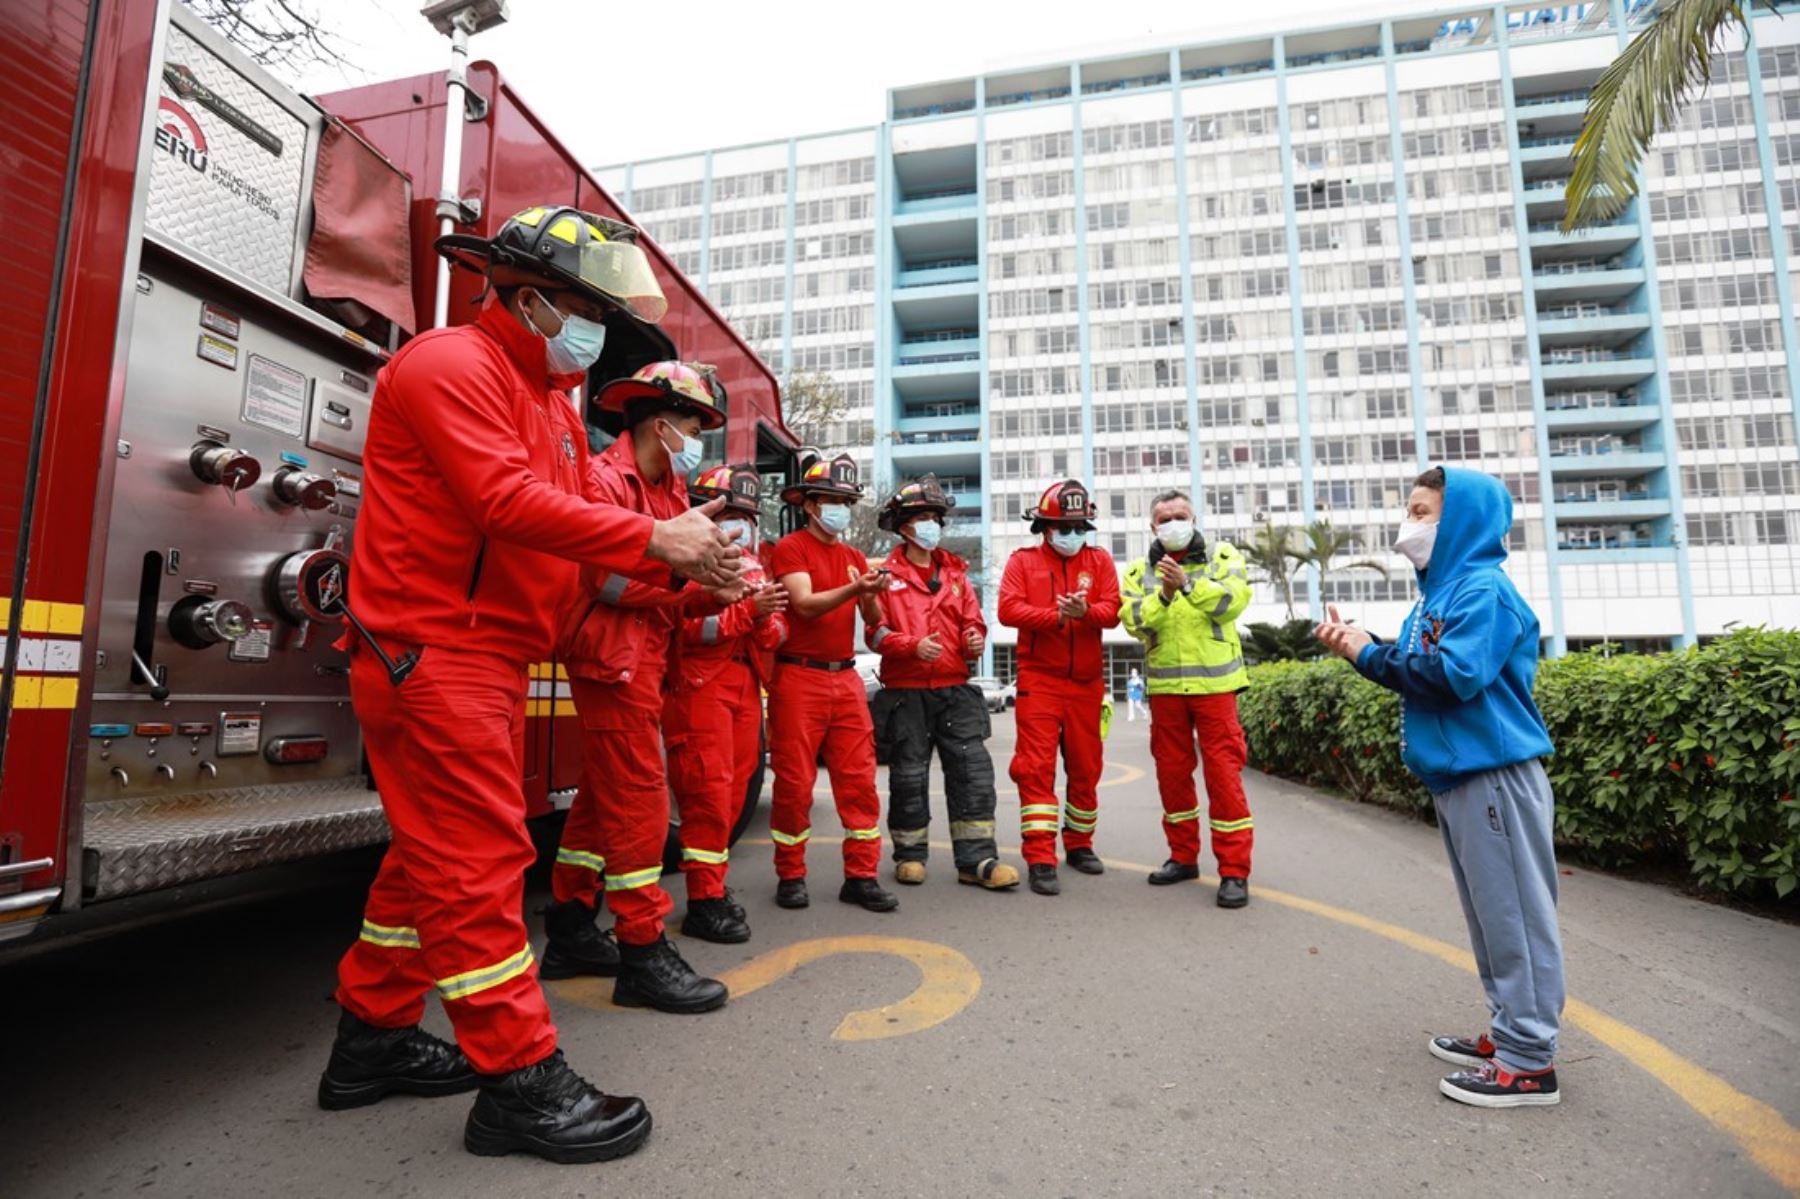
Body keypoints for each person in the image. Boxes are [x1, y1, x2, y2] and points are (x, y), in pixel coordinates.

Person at [320, 206, 741, 1164]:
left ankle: (372, 1036)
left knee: (428, 856)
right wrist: (657, 539)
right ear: (533, 297)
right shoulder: (448, 364)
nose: (598, 340)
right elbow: (502, 501)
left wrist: (684, 563)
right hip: (433, 650)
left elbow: (581, 531)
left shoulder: (551, 397)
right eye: (590, 311)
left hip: (489, 655)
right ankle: (519, 1081)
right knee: (477, 861)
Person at [1315, 465, 1564, 1109]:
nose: (1410, 524)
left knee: (1515, 917)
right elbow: (1422, 662)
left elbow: (1452, 677)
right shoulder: (1442, 594)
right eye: (1411, 510)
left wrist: (1366, 656)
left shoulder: (1481, 590)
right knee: (1491, 918)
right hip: (1461, 777)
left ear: (1460, 521)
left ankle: (1529, 1063)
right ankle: (1509, 1033)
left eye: (1423, 512)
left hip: (1493, 776)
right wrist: (1365, 642)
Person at [545, 361, 733, 1015]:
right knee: (640, 803)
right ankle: (643, 949)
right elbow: (605, 580)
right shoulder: (604, 479)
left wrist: (713, 585)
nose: (698, 438)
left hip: (639, 658)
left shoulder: (666, 493)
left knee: (602, 798)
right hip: (610, 658)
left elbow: (664, 591)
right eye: (693, 424)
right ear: (661, 423)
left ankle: (569, 926)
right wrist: (690, 581)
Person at [867, 475, 1018, 891]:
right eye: (921, 517)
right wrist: (911, 646)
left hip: (955, 689)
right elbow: (874, 634)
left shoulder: (955, 573)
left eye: (935, 516)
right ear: (903, 525)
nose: (931, 523)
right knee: (908, 777)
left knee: (971, 774)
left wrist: (975, 640)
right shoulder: (885, 576)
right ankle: (910, 856)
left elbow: (974, 622)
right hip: (906, 692)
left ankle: (977, 860)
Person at [766, 452, 900, 913]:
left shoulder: (853, 556)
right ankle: (791, 874)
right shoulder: (791, 548)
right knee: (795, 782)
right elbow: (802, 603)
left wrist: (873, 595)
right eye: (830, 500)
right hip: (798, 676)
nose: (839, 508)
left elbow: (871, 619)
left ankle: (861, 875)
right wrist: (856, 588)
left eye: (846, 500)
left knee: (859, 780)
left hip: (843, 678)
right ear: (809, 504)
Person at [665, 464, 789, 943]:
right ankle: (703, 901)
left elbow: (778, 633)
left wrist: (761, 618)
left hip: (742, 686)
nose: (741, 522)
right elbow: (686, 630)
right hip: (699, 686)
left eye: (747, 514)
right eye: (731, 512)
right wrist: (747, 614)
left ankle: (712, 890)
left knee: (736, 795)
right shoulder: (689, 559)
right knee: (707, 796)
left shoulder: (755, 564)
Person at [1119, 490, 1255, 909]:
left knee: (1224, 779)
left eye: (1180, 515)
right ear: (1153, 527)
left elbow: (1233, 602)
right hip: (1166, 692)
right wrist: (1162, 593)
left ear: (1194, 518)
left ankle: (1233, 871)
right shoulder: (1140, 570)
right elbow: (1133, 621)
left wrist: (1189, 585)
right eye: (1164, 518)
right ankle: (1183, 857)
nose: (1173, 522)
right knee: (1172, 777)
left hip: (1216, 691)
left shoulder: (1223, 555)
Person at [997, 479, 1121, 896]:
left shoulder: (1100, 561)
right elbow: (1007, 609)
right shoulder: (1022, 562)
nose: (1072, 535)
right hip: (1040, 681)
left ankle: (1081, 844)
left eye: (1080, 527)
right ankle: (1040, 857)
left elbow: (1113, 611)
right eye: (1063, 528)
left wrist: (1085, 612)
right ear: (1044, 527)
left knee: (1086, 768)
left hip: (1087, 683)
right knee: (1035, 769)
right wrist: (1056, 616)